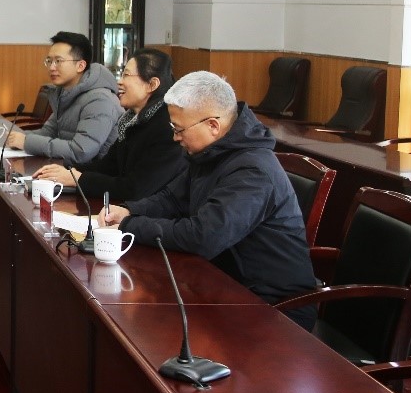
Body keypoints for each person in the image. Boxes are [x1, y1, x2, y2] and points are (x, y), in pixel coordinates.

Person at [101, 71, 318, 330]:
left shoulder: (253, 172)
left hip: (273, 309)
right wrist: (127, 211)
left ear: (213, 126)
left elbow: (203, 236)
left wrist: (130, 226)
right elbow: (172, 199)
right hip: (222, 283)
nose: (175, 137)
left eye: (178, 129)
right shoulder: (210, 151)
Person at [33, 48, 185, 202]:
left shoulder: (168, 127)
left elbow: (135, 189)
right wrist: (67, 172)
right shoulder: (131, 120)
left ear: (151, 84)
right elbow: (109, 166)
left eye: (126, 75)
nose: (120, 81)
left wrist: (78, 179)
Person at [7, 31, 122, 164]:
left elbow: (81, 151)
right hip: (67, 169)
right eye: (49, 61)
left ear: (80, 66)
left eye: (58, 61)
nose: (52, 67)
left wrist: (26, 142)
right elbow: (48, 132)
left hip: (91, 174)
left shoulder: (100, 100)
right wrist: (18, 137)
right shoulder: (65, 93)